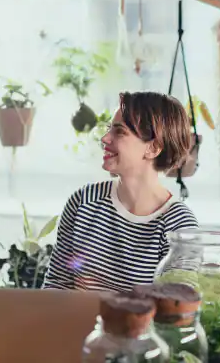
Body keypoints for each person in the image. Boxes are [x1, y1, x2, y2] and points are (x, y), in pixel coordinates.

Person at [42, 91, 199, 292]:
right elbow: (56, 285)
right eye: (109, 129)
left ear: (153, 148)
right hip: (75, 323)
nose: (105, 138)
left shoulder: (179, 226)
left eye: (119, 132)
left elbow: (174, 312)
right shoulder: (83, 202)